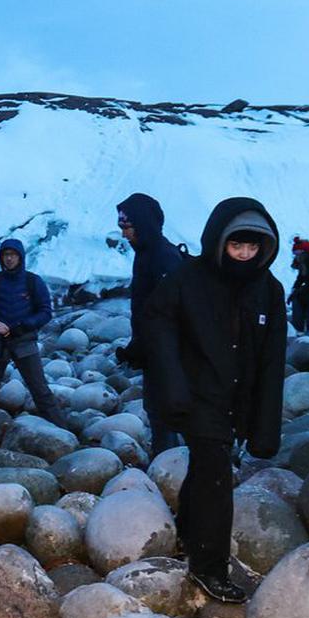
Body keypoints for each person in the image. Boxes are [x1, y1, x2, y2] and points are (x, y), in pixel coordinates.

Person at [144, 197, 287, 603]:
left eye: (252, 246)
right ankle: (209, 567)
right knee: (216, 474)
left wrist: (264, 425)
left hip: (236, 397)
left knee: (206, 466)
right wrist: (172, 387)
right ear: (219, 241)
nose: (244, 254)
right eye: (236, 245)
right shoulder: (188, 278)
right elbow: (156, 323)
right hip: (196, 395)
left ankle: (188, 530)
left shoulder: (269, 289)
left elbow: (272, 358)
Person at [114, 192, 186, 454]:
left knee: (163, 408)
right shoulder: (147, 253)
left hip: (168, 353)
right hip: (157, 350)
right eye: (122, 227)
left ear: (143, 224)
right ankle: (167, 458)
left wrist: (144, 347)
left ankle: (168, 462)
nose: (124, 234)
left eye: (127, 227)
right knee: (157, 407)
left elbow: (169, 314)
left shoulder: (163, 257)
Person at [0, 239, 67, 428]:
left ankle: (62, 430)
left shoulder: (32, 281)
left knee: (39, 388)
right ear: (1, 258)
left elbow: (46, 311)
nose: (9, 259)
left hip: (24, 341)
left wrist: (26, 325)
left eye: (13, 255)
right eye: (6, 255)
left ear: (20, 257)